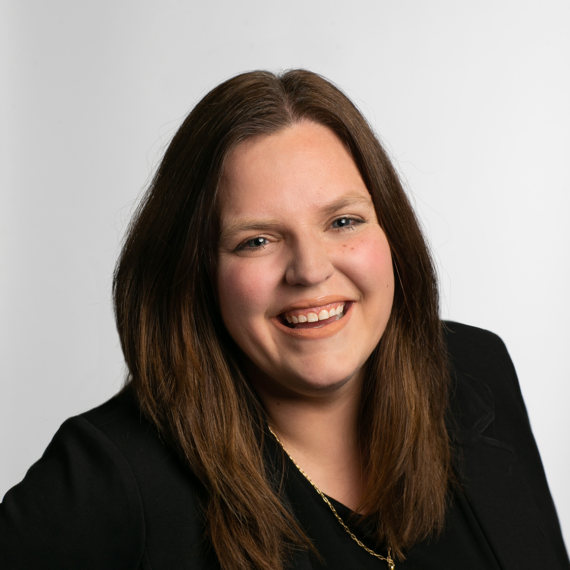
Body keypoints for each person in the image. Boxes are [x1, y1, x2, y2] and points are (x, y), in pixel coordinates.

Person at [0, 69, 568, 570]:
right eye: (257, 240)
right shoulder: (111, 476)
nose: (310, 270)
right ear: (194, 272)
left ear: (390, 231)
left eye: (342, 222)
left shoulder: (475, 371)